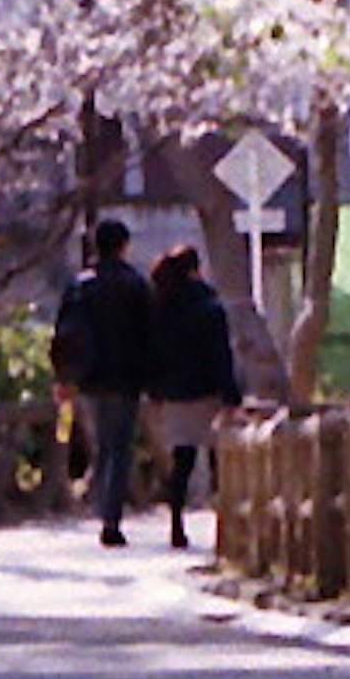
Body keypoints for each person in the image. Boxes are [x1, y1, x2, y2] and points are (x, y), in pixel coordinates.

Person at [47, 215, 160, 545]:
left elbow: (62, 335)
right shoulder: (135, 285)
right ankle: (111, 517)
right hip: (126, 377)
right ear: (124, 246)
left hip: (88, 378)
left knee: (102, 445)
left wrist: (64, 377)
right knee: (120, 447)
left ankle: (100, 504)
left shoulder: (80, 286)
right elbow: (149, 334)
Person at [144, 237, 243, 548]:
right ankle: (223, 526)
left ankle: (176, 523)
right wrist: (231, 395)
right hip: (207, 391)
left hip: (174, 393)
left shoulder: (160, 307)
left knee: (182, 459)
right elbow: (220, 354)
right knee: (217, 460)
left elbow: (151, 352)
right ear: (196, 270)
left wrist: (155, 390)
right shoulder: (209, 307)